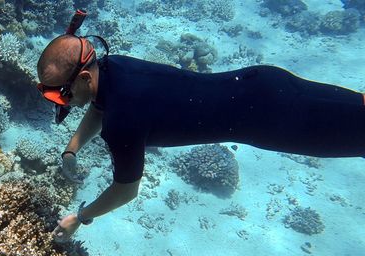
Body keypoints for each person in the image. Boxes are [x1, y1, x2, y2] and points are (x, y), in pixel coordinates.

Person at [36, 18, 365, 243]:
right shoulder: (113, 66)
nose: (62, 104)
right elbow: (98, 105)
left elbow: (125, 191)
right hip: (265, 83)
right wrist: (72, 148)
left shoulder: (123, 122)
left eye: (60, 94)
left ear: (83, 78)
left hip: (274, 119)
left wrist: (80, 217)